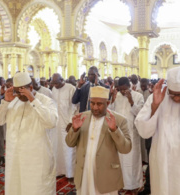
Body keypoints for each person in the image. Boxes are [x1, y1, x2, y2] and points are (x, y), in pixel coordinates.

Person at [0, 72, 58, 195]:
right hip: (15, 157)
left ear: (30, 88)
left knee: (36, 189)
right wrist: (6, 102)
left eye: (22, 91)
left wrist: (33, 100)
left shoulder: (45, 101)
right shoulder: (13, 101)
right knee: (16, 188)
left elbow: (51, 122)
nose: (19, 95)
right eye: (16, 91)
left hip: (36, 159)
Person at [66, 86, 132, 195]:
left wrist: (114, 130)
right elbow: (69, 143)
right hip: (84, 173)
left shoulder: (119, 120)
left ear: (108, 103)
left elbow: (126, 149)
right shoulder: (82, 117)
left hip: (106, 176)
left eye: (99, 104)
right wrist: (75, 129)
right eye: (92, 103)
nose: (95, 107)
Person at [135, 66, 180, 195]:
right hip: (161, 160)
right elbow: (144, 132)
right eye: (173, 94)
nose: (176, 98)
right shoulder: (156, 98)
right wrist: (155, 106)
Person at [109, 77, 144, 194]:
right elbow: (109, 112)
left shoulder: (138, 96)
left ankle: (134, 185)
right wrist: (112, 100)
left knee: (132, 160)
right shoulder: (116, 96)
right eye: (121, 89)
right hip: (118, 133)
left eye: (125, 89)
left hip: (132, 134)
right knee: (119, 160)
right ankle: (120, 183)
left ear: (129, 86)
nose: (123, 92)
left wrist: (131, 101)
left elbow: (141, 114)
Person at [51, 73, 77, 182]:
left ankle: (70, 173)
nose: (55, 85)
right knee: (57, 147)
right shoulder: (53, 89)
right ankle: (59, 171)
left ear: (63, 80)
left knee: (69, 148)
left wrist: (71, 121)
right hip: (57, 123)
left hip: (67, 123)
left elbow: (75, 106)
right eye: (54, 83)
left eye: (57, 83)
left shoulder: (71, 88)